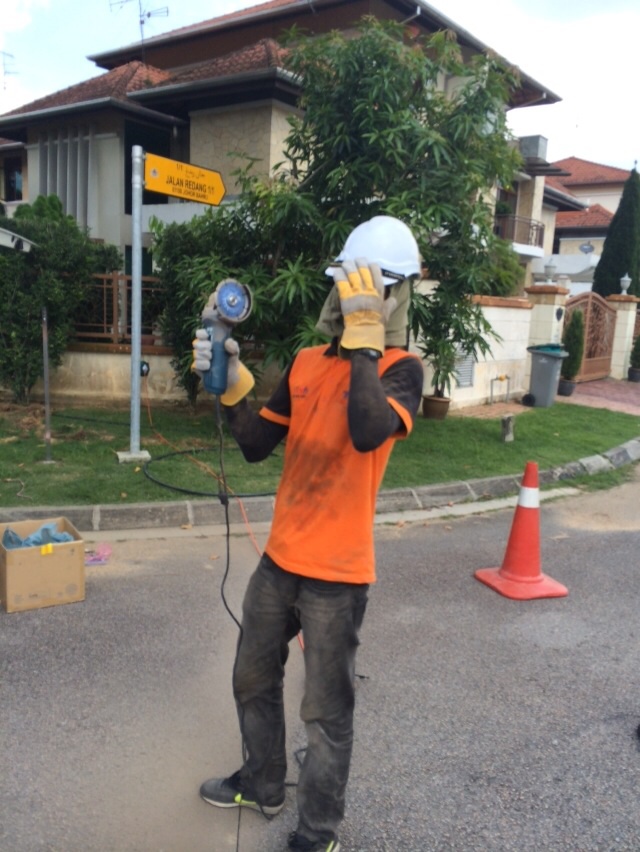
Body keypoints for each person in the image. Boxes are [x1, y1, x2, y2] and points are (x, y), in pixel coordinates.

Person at [192, 216, 424, 852]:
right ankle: (263, 783)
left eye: (368, 292)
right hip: (280, 561)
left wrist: (366, 347)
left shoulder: (403, 370)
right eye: (348, 289)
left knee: (325, 714)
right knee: (251, 678)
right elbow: (254, 444)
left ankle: (317, 833)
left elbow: (367, 430)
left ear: (393, 298)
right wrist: (228, 379)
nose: (351, 302)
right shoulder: (305, 363)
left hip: (339, 576)